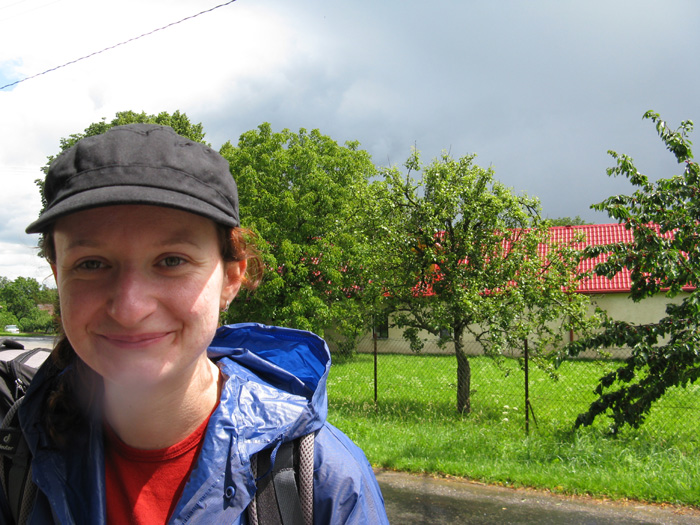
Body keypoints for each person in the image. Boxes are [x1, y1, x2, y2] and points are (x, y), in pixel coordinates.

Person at [7, 123, 388, 524]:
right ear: (58, 275)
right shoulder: (18, 455)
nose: (130, 308)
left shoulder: (322, 480)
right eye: (91, 264)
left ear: (232, 278)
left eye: (172, 261)